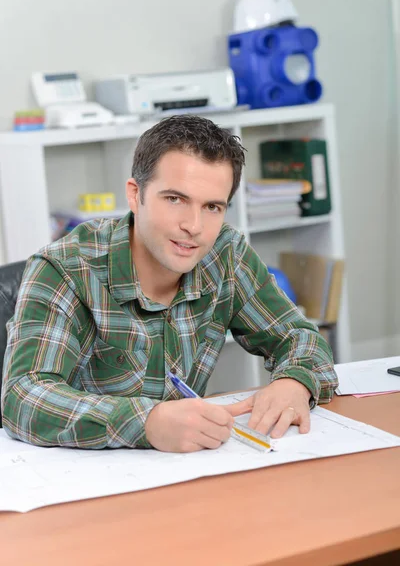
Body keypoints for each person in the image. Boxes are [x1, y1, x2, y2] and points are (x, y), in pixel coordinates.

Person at [1, 115, 338, 453]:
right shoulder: (64, 268)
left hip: (188, 474)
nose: (193, 226)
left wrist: (295, 381)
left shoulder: (226, 253)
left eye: (212, 207)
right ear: (135, 195)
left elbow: (299, 337)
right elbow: (23, 396)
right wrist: (145, 422)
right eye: (175, 199)